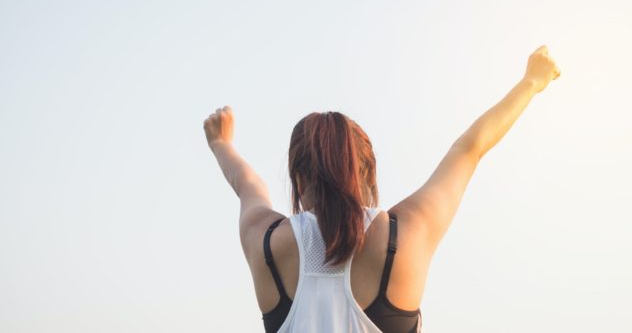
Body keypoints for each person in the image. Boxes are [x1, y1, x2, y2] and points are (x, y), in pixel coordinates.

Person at [203, 45, 561, 332]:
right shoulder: (404, 236)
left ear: (298, 178)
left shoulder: (266, 243)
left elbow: (248, 184)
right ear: (367, 174)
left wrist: (222, 143)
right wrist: (531, 82)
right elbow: (468, 149)